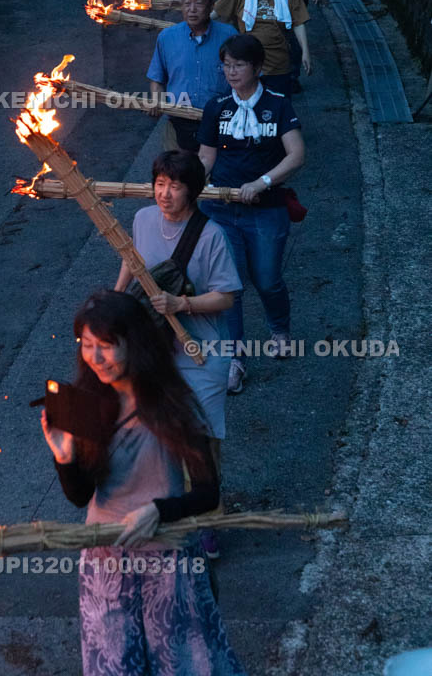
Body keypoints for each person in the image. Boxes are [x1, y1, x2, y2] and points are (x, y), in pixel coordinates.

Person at [41, 289, 247, 676]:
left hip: (167, 562)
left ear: (134, 345)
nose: (95, 357)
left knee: (184, 666)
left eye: (106, 346)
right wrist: (64, 457)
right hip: (105, 562)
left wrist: (158, 511)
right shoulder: (85, 403)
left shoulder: (173, 405)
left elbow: (207, 493)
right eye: (87, 345)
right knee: (115, 667)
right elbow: (80, 495)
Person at [197, 34, 306, 394]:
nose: (231, 72)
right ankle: (235, 360)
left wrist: (261, 183)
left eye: (238, 65)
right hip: (221, 209)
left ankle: (279, 329)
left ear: (257, 67)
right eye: (226, 65)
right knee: (229, 286)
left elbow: (296, 155)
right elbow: (207, 156)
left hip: (266, 209)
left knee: (267, 278)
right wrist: (191, 184)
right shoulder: (217, 107)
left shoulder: (278, 105)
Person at [114, 150, 242, 444]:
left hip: (201, 354)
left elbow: (226, 298)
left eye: (175, 186)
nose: (164, 194)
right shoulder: (143, 218)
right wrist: (117, 295)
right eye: (160, 184)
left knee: (200, 437)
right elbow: (132, 259)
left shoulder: (213, 236)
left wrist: (181, 304)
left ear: (192, 190)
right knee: (154, 437)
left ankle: (206, 488)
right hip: (151, 348)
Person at [147, 0, 237, 152]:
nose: (192, 9)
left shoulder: (229, 36)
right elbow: (157, 79)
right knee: (178, 176)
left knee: (213, 176)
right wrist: (156, 102)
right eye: (187, 3)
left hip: (219, 124)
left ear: (211, 6)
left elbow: (247, 80)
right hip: (177, 123)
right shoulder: (167, 38)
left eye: (199, 3)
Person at [211, 0, 311, 97]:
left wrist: (305, 51)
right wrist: (196, 25)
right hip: (246, 64)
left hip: (278, 65)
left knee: (277, 112)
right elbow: (217, 12)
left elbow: (299, 23)